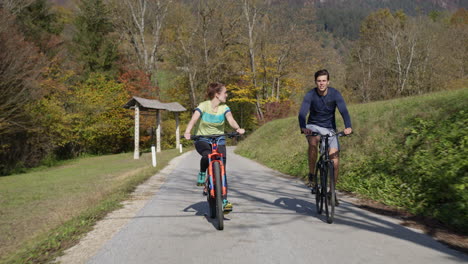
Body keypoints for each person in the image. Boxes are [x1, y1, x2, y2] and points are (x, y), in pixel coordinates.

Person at [184, 82, 245, 213]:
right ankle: (202, 172)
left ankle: (224, 200)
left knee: (222, 169)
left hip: (219, 139)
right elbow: (194, 119)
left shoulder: (225, 108)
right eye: (225, 93)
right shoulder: (203, 106)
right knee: (206, 155)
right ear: (217, 95)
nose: (226, 95)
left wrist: (238, 128)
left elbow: (231, 120)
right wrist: (188, 131)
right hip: (202, 139)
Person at [298, 69, 352, 203]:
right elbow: (302, 114)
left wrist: (348, 126)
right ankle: (312, 175)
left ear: (328, 82)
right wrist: (303, 127)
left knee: (335, 161)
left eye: (324, 81)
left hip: (330, 129)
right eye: (319, 81)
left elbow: (343, 111)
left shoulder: (335, 94)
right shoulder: (310, 95)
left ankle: (332, 192)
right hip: (313, 126)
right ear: (315, 82)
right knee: (313, 143)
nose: (321, 83)